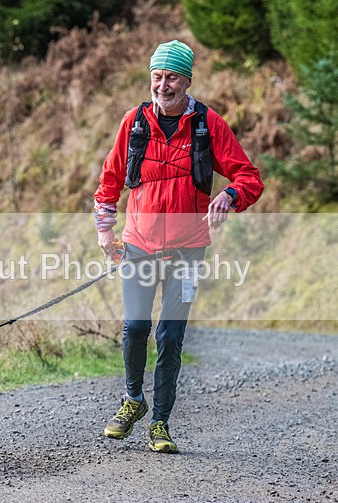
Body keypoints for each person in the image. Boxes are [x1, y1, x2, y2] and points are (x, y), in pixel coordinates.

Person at [94, 40, 264, 453]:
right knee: (135, 328)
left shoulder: (209, 125)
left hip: (188, 251)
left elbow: (250, 178)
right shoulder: (133, 122)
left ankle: (161, 423)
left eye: (171, 77)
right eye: (157, 76)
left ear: (187, 81)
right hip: (138, 245)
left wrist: (230, 196)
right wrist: (105, 231)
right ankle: (133, 400)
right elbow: (110, 180)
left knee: (170, 336)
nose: (163, 85)